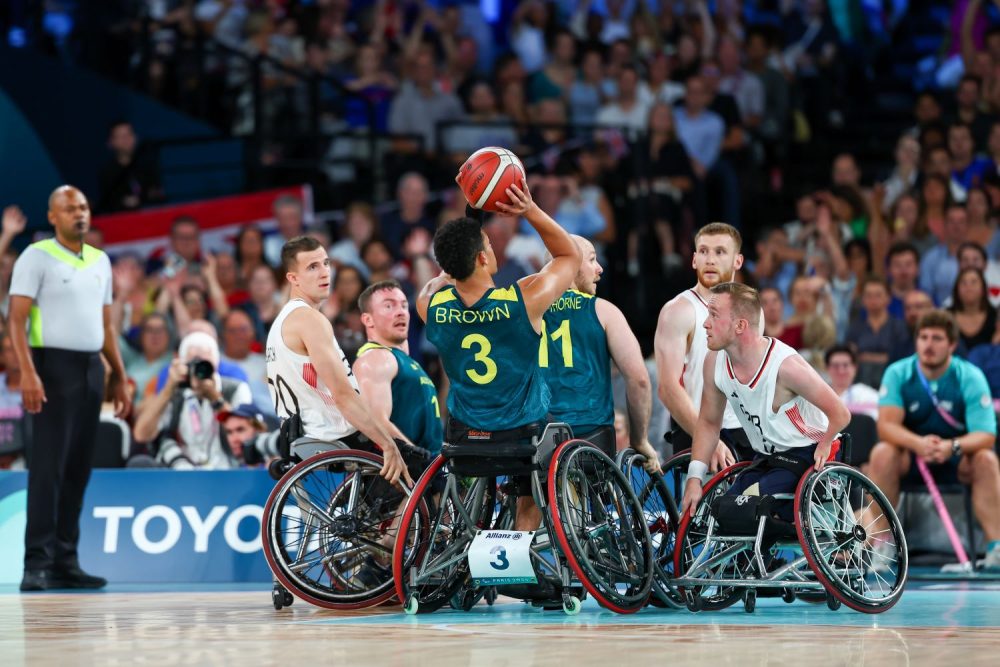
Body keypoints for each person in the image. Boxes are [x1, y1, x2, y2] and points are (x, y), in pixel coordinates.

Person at [417, 181, 581, 531]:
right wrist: (529, 210)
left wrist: (447, 271)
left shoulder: (431, 307)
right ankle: (522, 539)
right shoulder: (523, 300)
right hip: (520, 434)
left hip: (464, 435)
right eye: (488, 244)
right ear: (481, 258)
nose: (491, 246)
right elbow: (569, 256)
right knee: (555, 441)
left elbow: (432, 287)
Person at [8, 185, 131, 591]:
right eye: (69, 208)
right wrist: (28, 372)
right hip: (50, 367)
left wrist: (118, 373)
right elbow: (16, 319)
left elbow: (107, 325)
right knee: (47, 469)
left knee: (78, 469)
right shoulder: (35, 256)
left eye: (83, 206)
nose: (79, 213)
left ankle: (66, 560)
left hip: (90, 367)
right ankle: (36, 564)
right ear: (52, 215)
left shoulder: (100, 260)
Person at [679, 282, 852, 519]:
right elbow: (709, 423)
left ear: (740, 325)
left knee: (749, 503)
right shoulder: (714, 362)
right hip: (768, 458)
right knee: (723, 508)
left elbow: (841, 413)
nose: (705, 323)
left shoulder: (785, 367)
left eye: (714, 315)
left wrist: (825, 444)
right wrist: (694, 479)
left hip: (808, 453)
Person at [265, 236, 408, 484]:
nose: (324, 273)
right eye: (312, 267)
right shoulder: (309, 320)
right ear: (293, 278)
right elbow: (343, 396)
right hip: (336, 435)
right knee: (426, 473)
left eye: (326, 263)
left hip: (300, 437)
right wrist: (386, 444)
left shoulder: (282, 322)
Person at [868, 310, 1000, 569]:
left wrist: (952, 447)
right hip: (910, 459)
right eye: (923, 337)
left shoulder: (969, 376)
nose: (928, 344)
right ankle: (882, 545)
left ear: (951, 345)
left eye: (937, 338)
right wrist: (919, 444)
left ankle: (996, 547)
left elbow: (986, 434)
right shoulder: (899, 372)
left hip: (956, 459)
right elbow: (886, 427)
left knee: (986, 458)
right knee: (882, 452)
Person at [541, 235, 660, 472]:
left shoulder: (523, 312)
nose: (600, 269)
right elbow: (639, 379)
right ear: (571, 264)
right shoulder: (604, 311)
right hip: (590, 435)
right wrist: (639, 439)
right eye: (592, 260)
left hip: (536, 435)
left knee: (528, 502)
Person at [655, 223, 753, 469]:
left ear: (737, 261)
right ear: (694, 259)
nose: (710, 259)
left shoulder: (751, 310)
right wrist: (707, 437)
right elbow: (668, 389)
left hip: (747, 430)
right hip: (697, 429)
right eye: (704, 251)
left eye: (720, 252)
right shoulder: (678, 311)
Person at [132, 331, 252, 469]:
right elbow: (141, 434)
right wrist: (168, 388)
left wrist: (215, 398)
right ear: (183, 365)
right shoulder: (176, 394)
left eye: (205, 363)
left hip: (227, 469)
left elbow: (245, 434)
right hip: (183, 472)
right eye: (193, 363)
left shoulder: (235, 389)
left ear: (216, 364)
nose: (199, 371)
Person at [353, 280, 443, 457]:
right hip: (407, 472)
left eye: (403, 305)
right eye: (389, 306)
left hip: (430, 465)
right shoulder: (375, 358)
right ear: (367, 319)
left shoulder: (401, 359)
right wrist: (417, 458)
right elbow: (376, 421)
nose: (401, 312)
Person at [825, 344, 879, 420]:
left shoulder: (868, 395)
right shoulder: (820, 395)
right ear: (827, 368)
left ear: (855, 368)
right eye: (835, 365)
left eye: (845, 365)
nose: (841, 371)